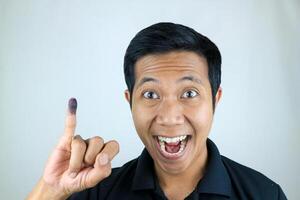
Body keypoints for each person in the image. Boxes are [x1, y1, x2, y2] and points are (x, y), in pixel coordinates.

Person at [27, 22, 287, 200]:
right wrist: (51, 190)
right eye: (150, 94)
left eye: (189, 94)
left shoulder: (264, 194)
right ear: (130, 102)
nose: (170, 117)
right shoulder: (96, 192)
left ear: (215, 100)